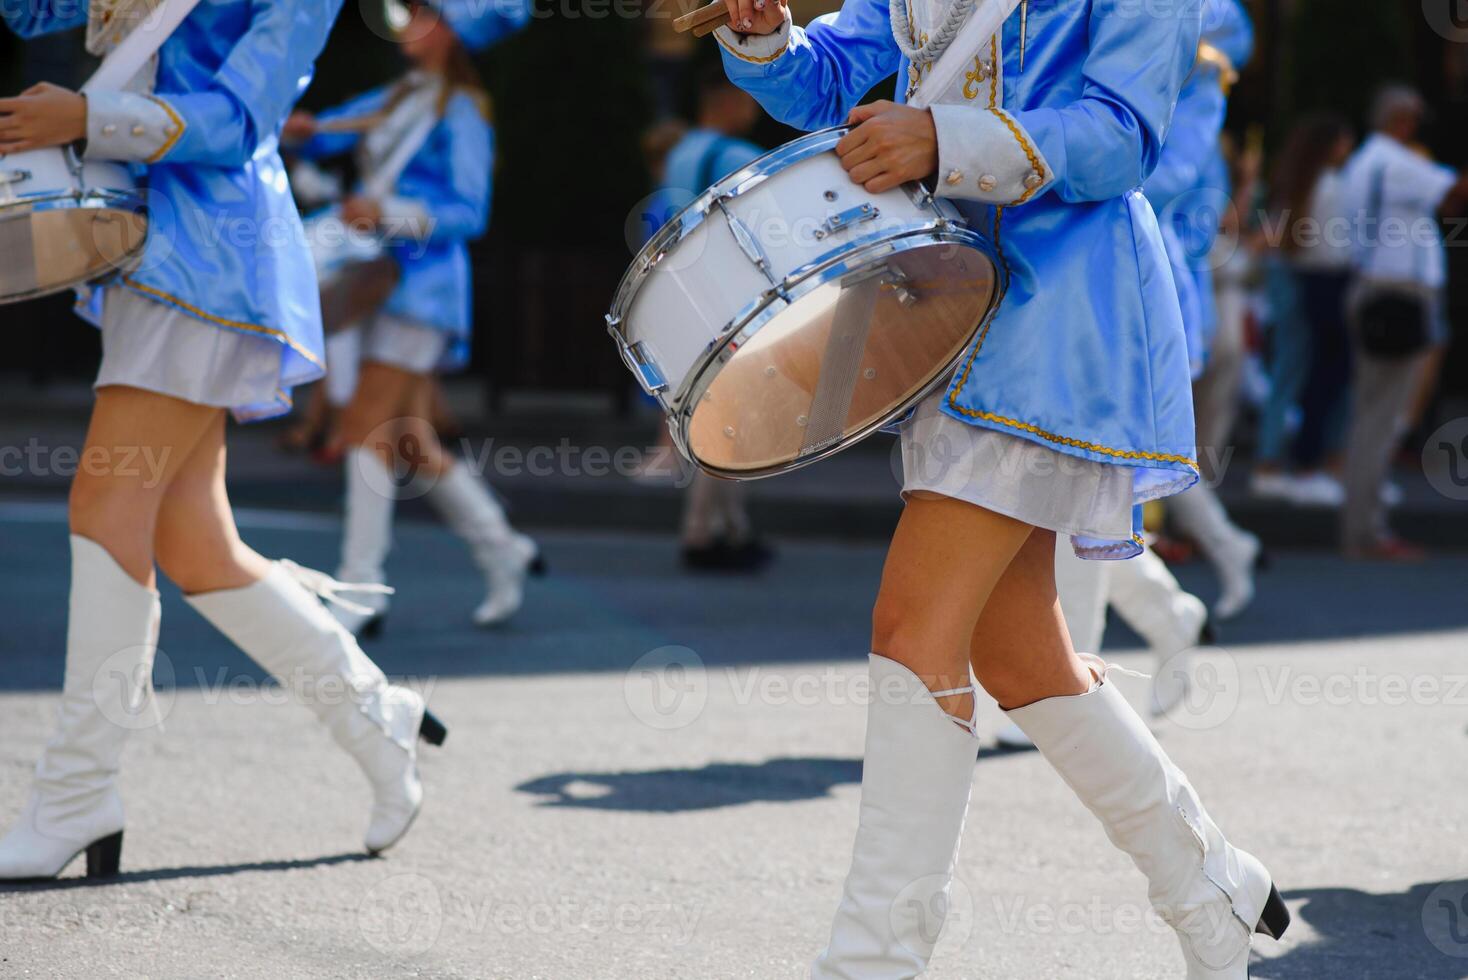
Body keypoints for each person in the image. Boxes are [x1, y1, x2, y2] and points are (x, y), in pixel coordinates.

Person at [714, 0, 1289, 975]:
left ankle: (871, 957)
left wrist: (940, 138)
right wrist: (766, 36)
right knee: (1021, 656)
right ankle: (1210, 886)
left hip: (1055, 316)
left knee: (911, 630)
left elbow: (1122, 138)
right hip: (937, 308)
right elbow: (824, 81)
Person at [0, 0, 451, 881]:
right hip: (146, 247)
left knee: (104, 504)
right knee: (197, 547)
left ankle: (75, 793)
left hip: (211, 253)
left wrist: (87, 118)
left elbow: (242, 117)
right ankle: (378, 718)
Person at [285, 0, 540, 634]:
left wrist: (388, 213)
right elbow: (327, 128)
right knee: (407, 441)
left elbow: (469, 212)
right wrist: (295, 127)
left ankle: (361, 589)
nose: (408, 23)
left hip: (422, 288)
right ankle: (502, 547)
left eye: (425, 15)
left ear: (453, 32)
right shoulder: (401, 94)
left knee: (366, 425)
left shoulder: (463, 112)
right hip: (378, 279)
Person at [1337, 85, 1468, 560]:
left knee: (1373, 416)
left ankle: (1363, 527)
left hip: (1378, 292)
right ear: (1402, 121)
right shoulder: (1394, 161)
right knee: (1382, 419)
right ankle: (1366, 532)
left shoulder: (1368, 162)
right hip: (1395, 297)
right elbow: (1455, 189)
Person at [654, 67, 775, 571]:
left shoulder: (678, 154)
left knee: (714, 417)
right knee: (729, 422)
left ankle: (730, 529)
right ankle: (701, 532)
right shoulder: (738, 157)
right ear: (727, 100)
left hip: (686, 301)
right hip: (733, 302)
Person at [1253, 115, 1356, 508]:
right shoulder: (1329, 185)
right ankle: (1274, 463)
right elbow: (1328, 245)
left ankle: (1270, 460)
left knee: (1288, 371)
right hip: (1306, 279)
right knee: (1297, 371)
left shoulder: (1296, 180)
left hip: (1290, 277)